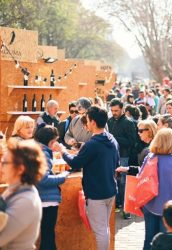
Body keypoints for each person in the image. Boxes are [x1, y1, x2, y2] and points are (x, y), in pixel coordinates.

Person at [58, 106, 119, 250]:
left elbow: (75, 162)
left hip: (97, 193)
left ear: (92, 121)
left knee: (100, 230)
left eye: (87, 120)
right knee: (104, 228)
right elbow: (116, 163)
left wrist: (62, 151)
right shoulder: (111, 139)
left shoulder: (92, 144)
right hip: (110, 189)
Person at [142, 128, 172, 250]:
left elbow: (140, 178)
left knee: (149, 239)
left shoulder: (149, 159)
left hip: (150, 204)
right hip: (169, 210)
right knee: (167, 244)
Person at [34, 125, 69, 250]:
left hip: (41, 198)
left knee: (46, 234)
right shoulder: (44, 154)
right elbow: (43, 179)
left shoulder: (37, 150)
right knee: (48, 235)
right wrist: (64, 176)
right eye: (55, 140)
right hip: (47, 200)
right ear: (51, 141)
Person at [108, 98, 137, 219]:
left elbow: (132, 141)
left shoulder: (128, 122)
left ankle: (126, 209)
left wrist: (114, 138)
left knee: (123, 182)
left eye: (116, 110)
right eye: (112, 110)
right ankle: (116, 204)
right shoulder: (109, 121)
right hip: (111, 155)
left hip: (123, 155)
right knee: (113, 180)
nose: (114, 112)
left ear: (122, 109)